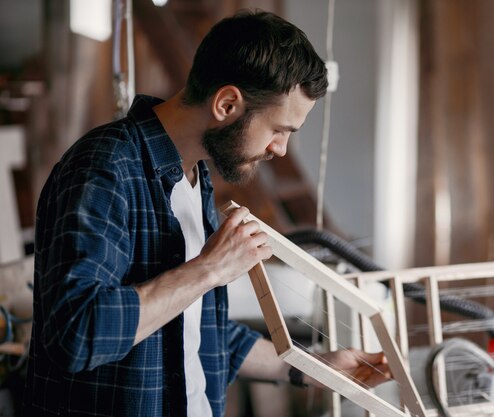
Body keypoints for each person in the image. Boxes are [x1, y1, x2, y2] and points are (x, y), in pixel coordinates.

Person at [22, 10, 391, 417]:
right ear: (227, 103)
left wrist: (316, 368)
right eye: (279, 129)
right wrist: (209, 269)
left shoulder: (195, 177)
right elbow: (76, 333)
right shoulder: (105, 166)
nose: (280, 149)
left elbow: (197, 330)